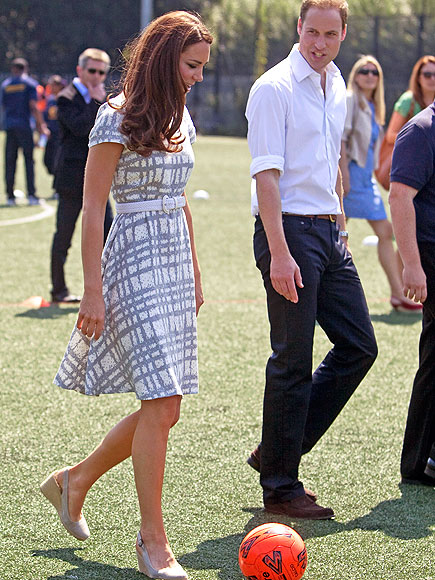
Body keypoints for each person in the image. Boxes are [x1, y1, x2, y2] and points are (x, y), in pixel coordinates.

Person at [40, 11, 212, 579]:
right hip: (131, 259)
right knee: (162, 403)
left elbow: (181, 197)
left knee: (167, 407)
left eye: (202, 67)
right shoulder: (113, 117)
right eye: (191, 65)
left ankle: (74, 480)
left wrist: (193, 268)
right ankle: (152, 541)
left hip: (172, 263)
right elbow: (93, 206)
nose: (198, 77)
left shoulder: (181, 113)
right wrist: (92, 288)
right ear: (165, 59)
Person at [245, 0, 378, 520]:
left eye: (329, 33)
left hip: (328, 229)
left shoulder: (338, 82)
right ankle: (280, 486)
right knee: (293, 358)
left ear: (343, 34)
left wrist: (341, 220)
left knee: (359, 346)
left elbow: (334, 157)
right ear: (297, 27)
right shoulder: (273, 87)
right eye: (311, 31)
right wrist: (279, 253)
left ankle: (277, 449)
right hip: (289, 233)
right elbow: (266, 178)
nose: (318, 43)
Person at [340, 56, 421, 313]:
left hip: (366, 179)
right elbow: (341, 140)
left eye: (374, 72)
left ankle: (397, 295)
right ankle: (323, 295)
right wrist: (344, 177)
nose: (369, 75)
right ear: (355, 74)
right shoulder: (350, 99)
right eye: (364, 70)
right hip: (351, 177)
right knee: (335, 236)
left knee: (385, 232)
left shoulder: (373, 105)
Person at [389, 97, 435, 488]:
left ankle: (421, 461)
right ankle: (421, 461)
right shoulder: (421, 130)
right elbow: (399, 197)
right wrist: (412, 264)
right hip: (431, 256)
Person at [50, 48, 114, 303]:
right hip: (70, 179)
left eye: (102, 72)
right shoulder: (66, 97)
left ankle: (108, 290)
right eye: (92, 71)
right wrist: (98, 103)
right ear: (80, 70)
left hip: (97, 181)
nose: (97, 76)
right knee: (63, 236)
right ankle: (59, 290)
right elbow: (82, 129)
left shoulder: (103, 98)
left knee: (108, 236)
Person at [1, 57, 49, 206]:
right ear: (25, 69)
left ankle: (10, 196)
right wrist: (41, 126)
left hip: (10, 126)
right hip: (25, 126)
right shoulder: (29, 84)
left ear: (13, 69)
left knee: (10, 161)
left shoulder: (6, 85)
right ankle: (32, 195)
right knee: (29, 160)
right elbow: (34, 106)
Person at [385, 55, 435, 146]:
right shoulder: (408, 100)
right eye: (427, 75)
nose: (432, 79)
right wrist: (418, 138)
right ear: (418, 77)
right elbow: (390, 135)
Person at [43, 75, 66, 197]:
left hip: (60, 135)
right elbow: (47, 116)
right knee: (47, 160)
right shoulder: (51, 100)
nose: (51, 88)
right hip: (51, 134)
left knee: (57, 161)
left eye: (53, 85)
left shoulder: (65, 99)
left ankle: (57, 188)